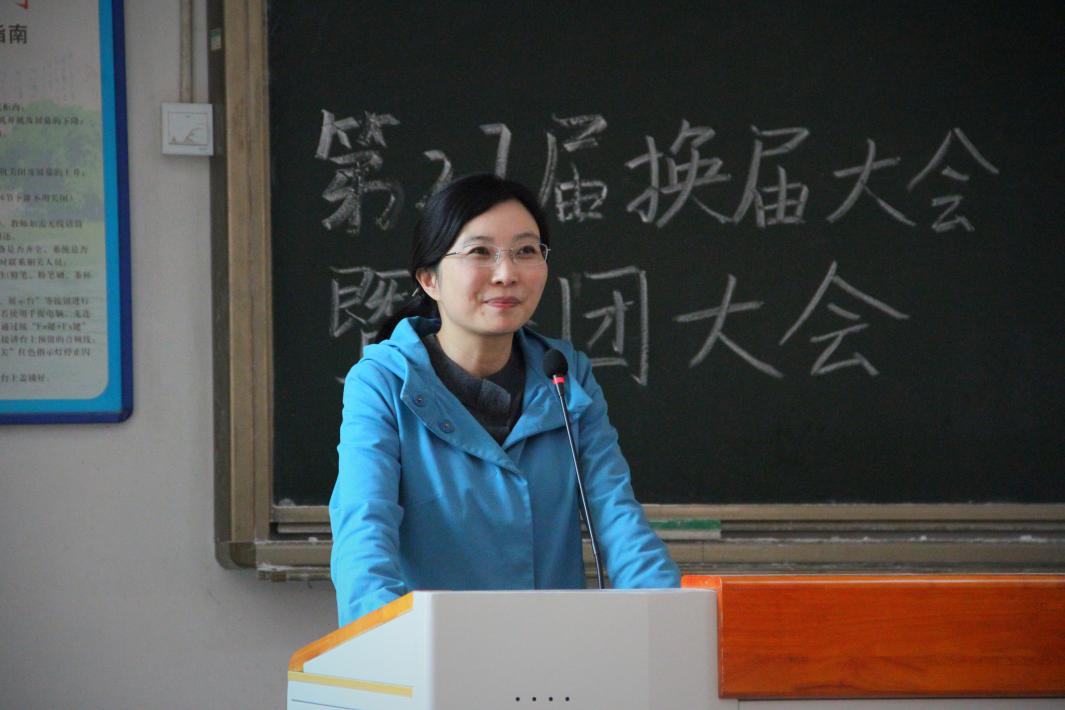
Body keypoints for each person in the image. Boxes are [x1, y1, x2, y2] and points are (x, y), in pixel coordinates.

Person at [330, 174, 680, 626]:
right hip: (432, 651)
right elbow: (364, 532)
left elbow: (619, 520)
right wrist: (389, 641)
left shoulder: (564, 376)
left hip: (555, 653)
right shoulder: (383, 381)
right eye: (480, 252)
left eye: (526, 251)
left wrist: (674, 622)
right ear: (429, 279)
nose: (506, 273)